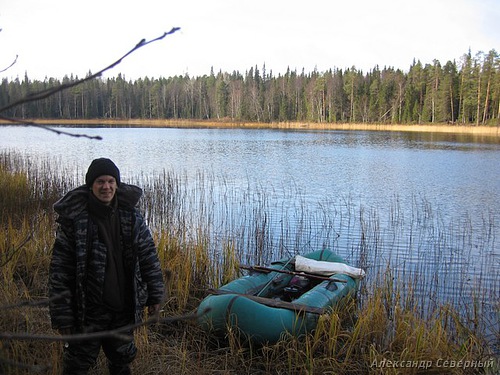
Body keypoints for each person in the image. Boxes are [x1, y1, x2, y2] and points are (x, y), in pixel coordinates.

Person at [49, 158, 165, 375]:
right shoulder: (74, 221)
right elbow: (60, 272)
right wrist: (63, 315)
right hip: (87, 312)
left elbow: (149, 257)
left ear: (117, 184)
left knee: (121, 361)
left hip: (123, 307)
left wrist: (156, 296)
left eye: (111, 181)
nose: (106, 187)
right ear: (90, 186)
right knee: (77, 364)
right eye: (100, 181)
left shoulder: (131, 217)